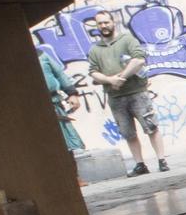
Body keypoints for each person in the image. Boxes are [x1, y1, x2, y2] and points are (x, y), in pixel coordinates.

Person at [86, 11, 166, 174]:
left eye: (106, 22)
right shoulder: (95, 49)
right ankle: (140, 164)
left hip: (137, 92)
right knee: (128, 132)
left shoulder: (127, 39)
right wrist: (109, 80)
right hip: (115, 97)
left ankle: (162, 160)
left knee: (151, 126)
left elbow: (139, 60)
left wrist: (120, 78)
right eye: (100, 23)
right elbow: (93, 71)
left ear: (113, 22)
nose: (104, 26)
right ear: (97, 26)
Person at [39, 48, 85, 152]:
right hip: (34, 108)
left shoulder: (42, 55)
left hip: (54, 103)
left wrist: (72, 94)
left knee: (73, 144)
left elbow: (59, 74)